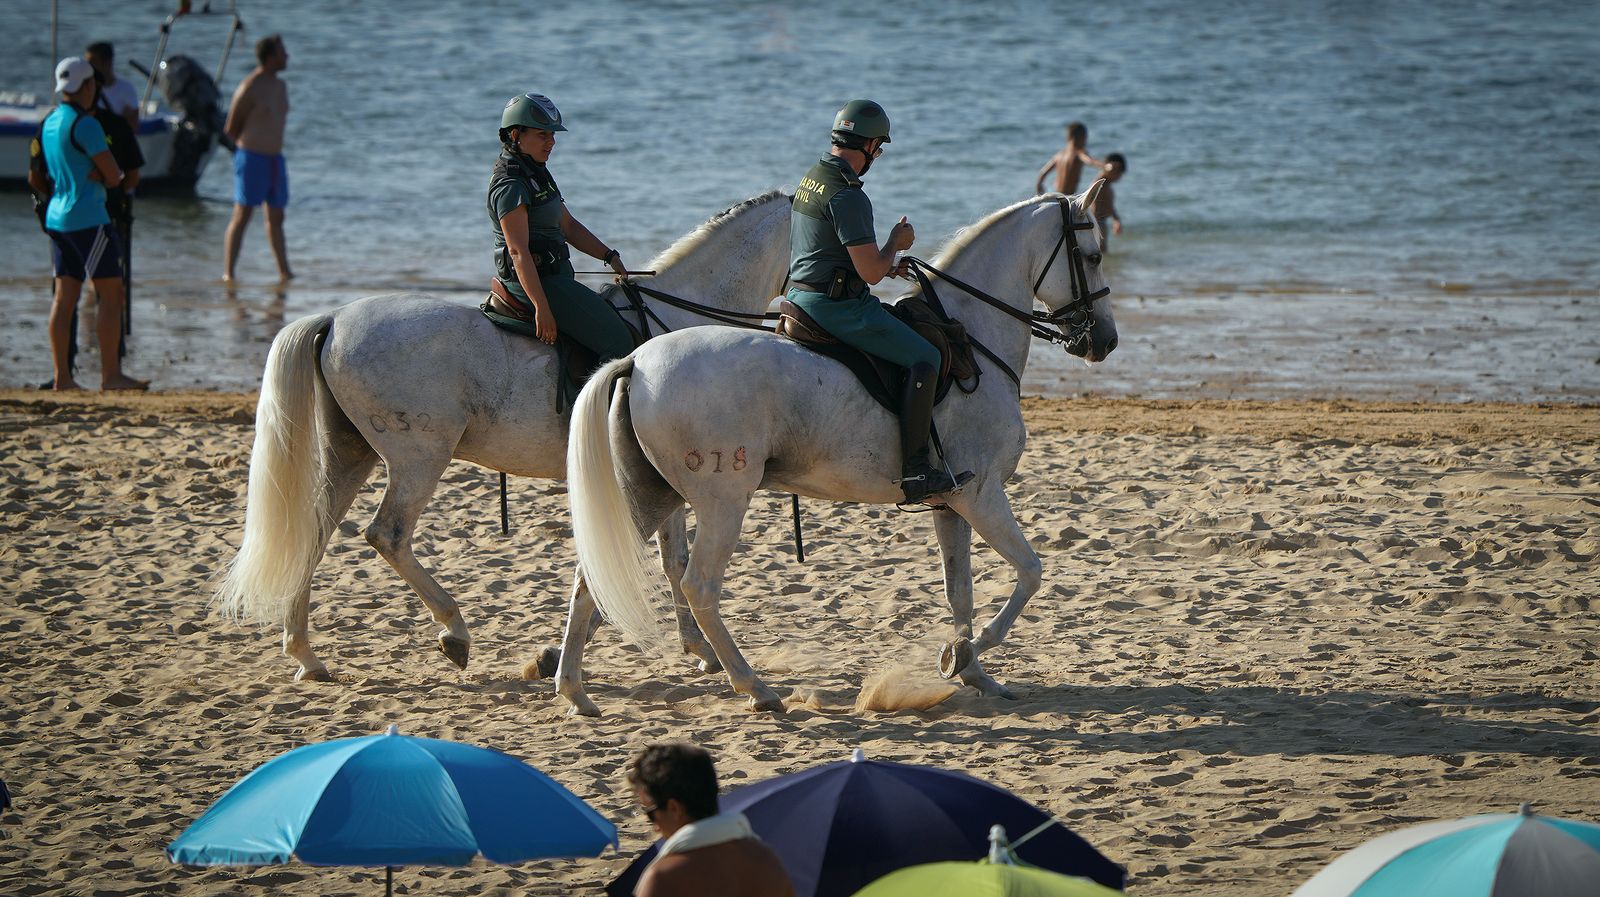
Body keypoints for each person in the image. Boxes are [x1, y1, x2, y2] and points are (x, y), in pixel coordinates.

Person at [785, 99, 971, 505]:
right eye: (879, 149)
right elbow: (868, 271)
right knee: (926, 356)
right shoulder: (849, 194)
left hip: (800, 294)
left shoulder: (812, 177)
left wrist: (888, 266)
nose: (878, 157)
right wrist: (894, 245)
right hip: (837, 308)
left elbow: (830, 252)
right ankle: (917, 469)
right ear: (868, 145)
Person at [26, 58, 147, 391]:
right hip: (89, 218)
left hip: (57, 218)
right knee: (112, 293)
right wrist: (108, 175)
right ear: (89, 86)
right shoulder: (87, 125)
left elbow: (37, 175)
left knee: (64, 299)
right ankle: (111, 375)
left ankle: (63, 378)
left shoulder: (49, 121)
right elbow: (114, 176)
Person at [488, 92, 632, 364]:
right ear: (516, 134)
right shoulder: (511, 185)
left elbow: (568, 225)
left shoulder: (537, 172)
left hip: (557, 278)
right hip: (537, 284)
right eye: (543, 135)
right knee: (620, 341)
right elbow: (518, 252)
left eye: (553, 135)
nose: (551, 142)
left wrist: (609, 256)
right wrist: (542, 307)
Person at [626, 743, 794, 897]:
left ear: (674, 808)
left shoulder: (665, 877)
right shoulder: (766, 860)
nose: (655, 827)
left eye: (650, 813)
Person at [222, 34, 292, 283]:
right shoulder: (250, 86)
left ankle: (284, 272)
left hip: (275, 159)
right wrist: (245, 152)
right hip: (251, 158)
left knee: (277, 218)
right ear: (271, 56)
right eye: (283, 52)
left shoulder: (281, 85)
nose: (287, 56)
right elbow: (231, 128)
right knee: (242, 215)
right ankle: (229, 272)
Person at [1034, 121, 1104, 196]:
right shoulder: (1078, 153)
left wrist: (1039, 185)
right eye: (1085, 138)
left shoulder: (1059, 155)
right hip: (1067, 197)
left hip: (1055, 194)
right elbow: (1090, 161)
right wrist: (1106, 165)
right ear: (1082, 137)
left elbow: (1043, 172)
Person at [85, 42, 139, 131]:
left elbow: (134, 127)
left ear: (107, 62)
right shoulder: (85, 90)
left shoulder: (127, 89)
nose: (88, 66)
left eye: (93, 61)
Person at [1092, 153, 1126, 249]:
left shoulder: (1105, 184)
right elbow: (1108, 205)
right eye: (1119, 173)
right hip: (1097, 222)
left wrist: (1116, 219)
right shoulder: (1101, 182)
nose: (1119, 177)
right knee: (1101, 251)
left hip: (1100, 222)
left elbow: (1108, 204)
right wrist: (1116, 220)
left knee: (1101, 251)